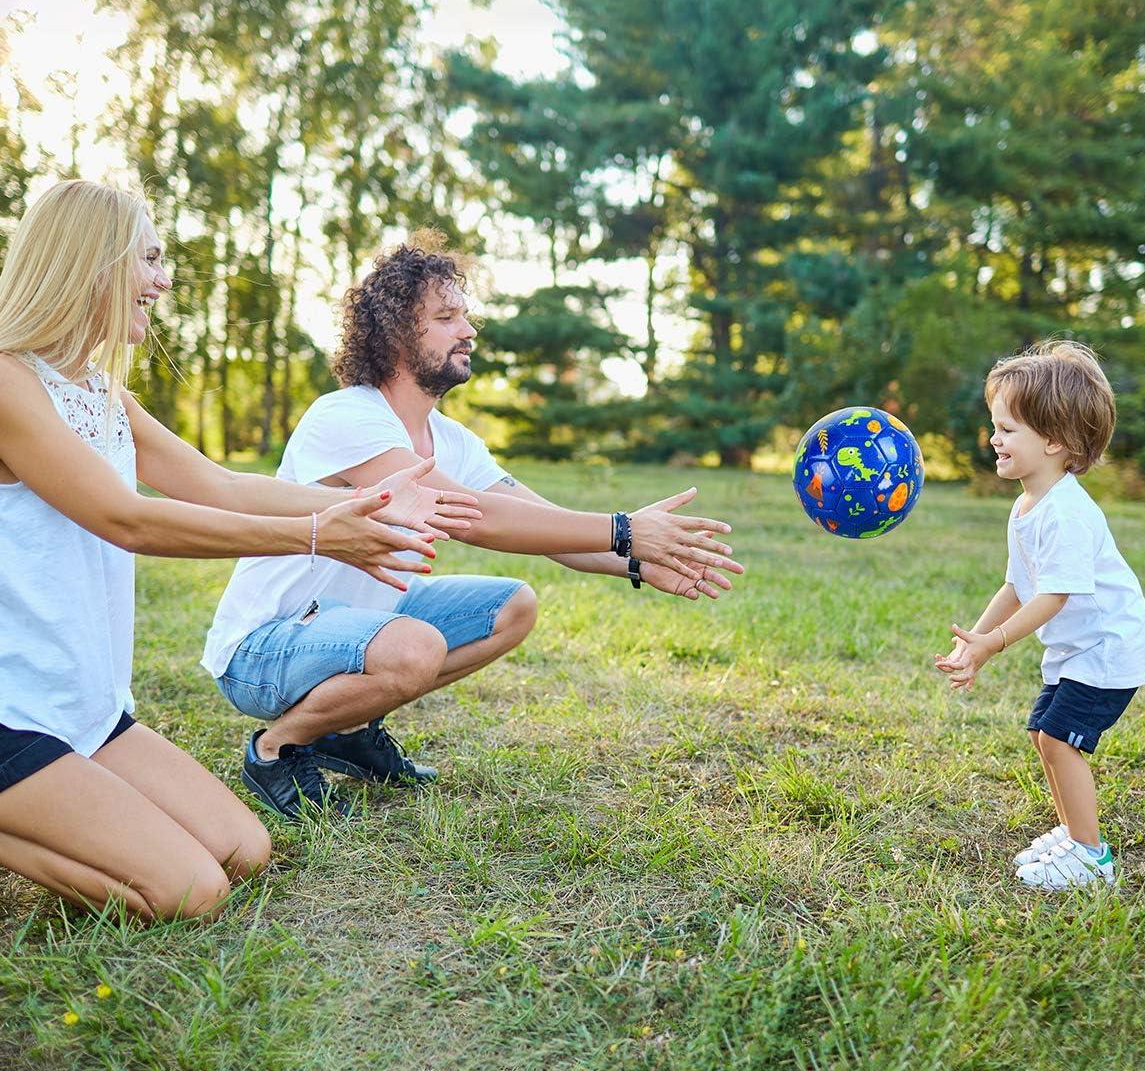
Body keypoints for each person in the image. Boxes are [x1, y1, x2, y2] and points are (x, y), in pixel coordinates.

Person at [0, 181, 481, 921]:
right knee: (190, 893)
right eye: (149, 259)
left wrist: (368, 506)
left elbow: (218, 484)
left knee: (243, 850)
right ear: (91, 260)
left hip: (83, 704)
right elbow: (126, 520)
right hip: (12, 709)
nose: (162, 280)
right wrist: (320, 536)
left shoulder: (101, 394)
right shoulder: (7, 381)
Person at [203, 234, 745, 818]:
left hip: (356, 630)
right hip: (266, 646)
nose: (468, 331)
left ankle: (348, 729)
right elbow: (476, 519)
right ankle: (275, 749)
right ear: (395, 335)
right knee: (415, 647)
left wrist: (639, 559)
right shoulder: (346, 417)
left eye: (466, 315)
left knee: (514, 606)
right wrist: (623, 529)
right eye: (446, 317)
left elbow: (547, 526)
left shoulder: (455, 443)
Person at [934, 341, 1145, 891]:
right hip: (1078, 652)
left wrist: (995, 643)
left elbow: (1052, 597)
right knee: (1044, 735)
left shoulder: (1068, 512)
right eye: (995, 425)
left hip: (1108, 652)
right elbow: (1018, 583)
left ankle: (1090, 856)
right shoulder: (1029, 502)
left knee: (1060, 741)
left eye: (1007, 429)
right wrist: (976, 640)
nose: (994, 438)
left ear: (1054, 440)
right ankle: (1073, 833)